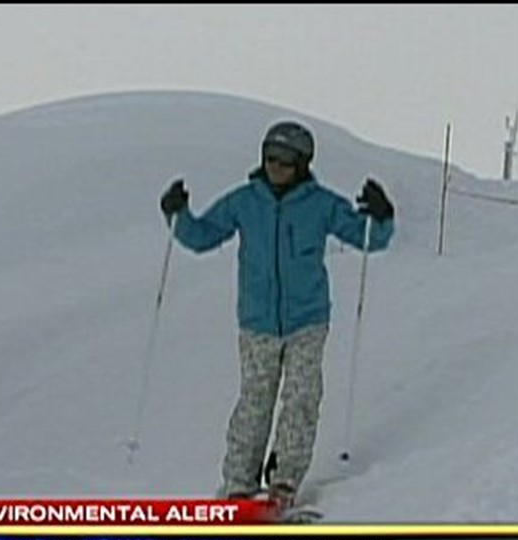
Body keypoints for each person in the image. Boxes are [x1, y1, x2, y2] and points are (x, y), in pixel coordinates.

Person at [159, 121, 394, 510]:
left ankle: (284, 482)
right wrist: (178, 214)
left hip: (307, 320)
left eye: (285, 160)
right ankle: (238, 484)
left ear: (302, 164)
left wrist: (381, 217)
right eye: (270, 157)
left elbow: (370, 238)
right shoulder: (244, 202)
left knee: (301, 397)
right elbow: (202, 236)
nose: (276, 166)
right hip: (257, 323)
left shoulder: (321, 204)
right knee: (255, 401)